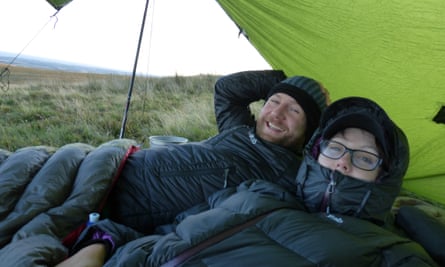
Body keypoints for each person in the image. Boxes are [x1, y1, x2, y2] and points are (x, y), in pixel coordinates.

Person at [56, 96, 438, 266]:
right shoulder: (255, 191)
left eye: (365, 158)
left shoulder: (389, 250)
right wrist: (103, 244)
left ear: (384, 178)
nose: (342, 164)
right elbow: (167, 231)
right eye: (336, 148)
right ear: (317, 152)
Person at [106, 70, 329, 234]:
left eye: (294, 110)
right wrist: (286, 82)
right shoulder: (240, 128)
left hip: (118, 204)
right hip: (114, 166)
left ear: (310, 130)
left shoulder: (290, 180)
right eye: (273, 101)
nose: (276, 114)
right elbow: (226, 89)